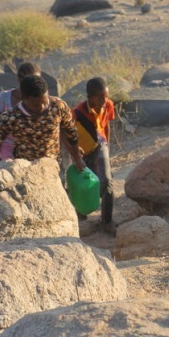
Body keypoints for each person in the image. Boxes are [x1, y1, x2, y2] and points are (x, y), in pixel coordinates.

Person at [0, 75, 86, 192]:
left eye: (44, 101)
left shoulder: (58, 106)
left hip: (53, 167)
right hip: (25, 171)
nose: (42, 107)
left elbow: (71, 132)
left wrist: (77, 158)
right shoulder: (11, 117)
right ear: (23, 98)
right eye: (36, 104)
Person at [73, 77, 116, 230]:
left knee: (107, 181)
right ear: (90, 97)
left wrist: (108, 144)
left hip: (100, 145)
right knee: (85, 182)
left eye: (106, 96)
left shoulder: (108, 105)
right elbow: (69, 134)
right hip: (83, 150)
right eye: (100, 97)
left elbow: (107, 125)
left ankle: (107, 221)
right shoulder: (78, 113)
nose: (104, 100)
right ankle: (81, 212)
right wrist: (75, 154)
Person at [0, 62, 42, 163]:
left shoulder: (41, 100)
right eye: (30, 80)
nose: (34, 84)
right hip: (8, 147)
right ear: (19, 79)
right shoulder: (5, 97)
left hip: (33, 149)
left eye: (37, 80)